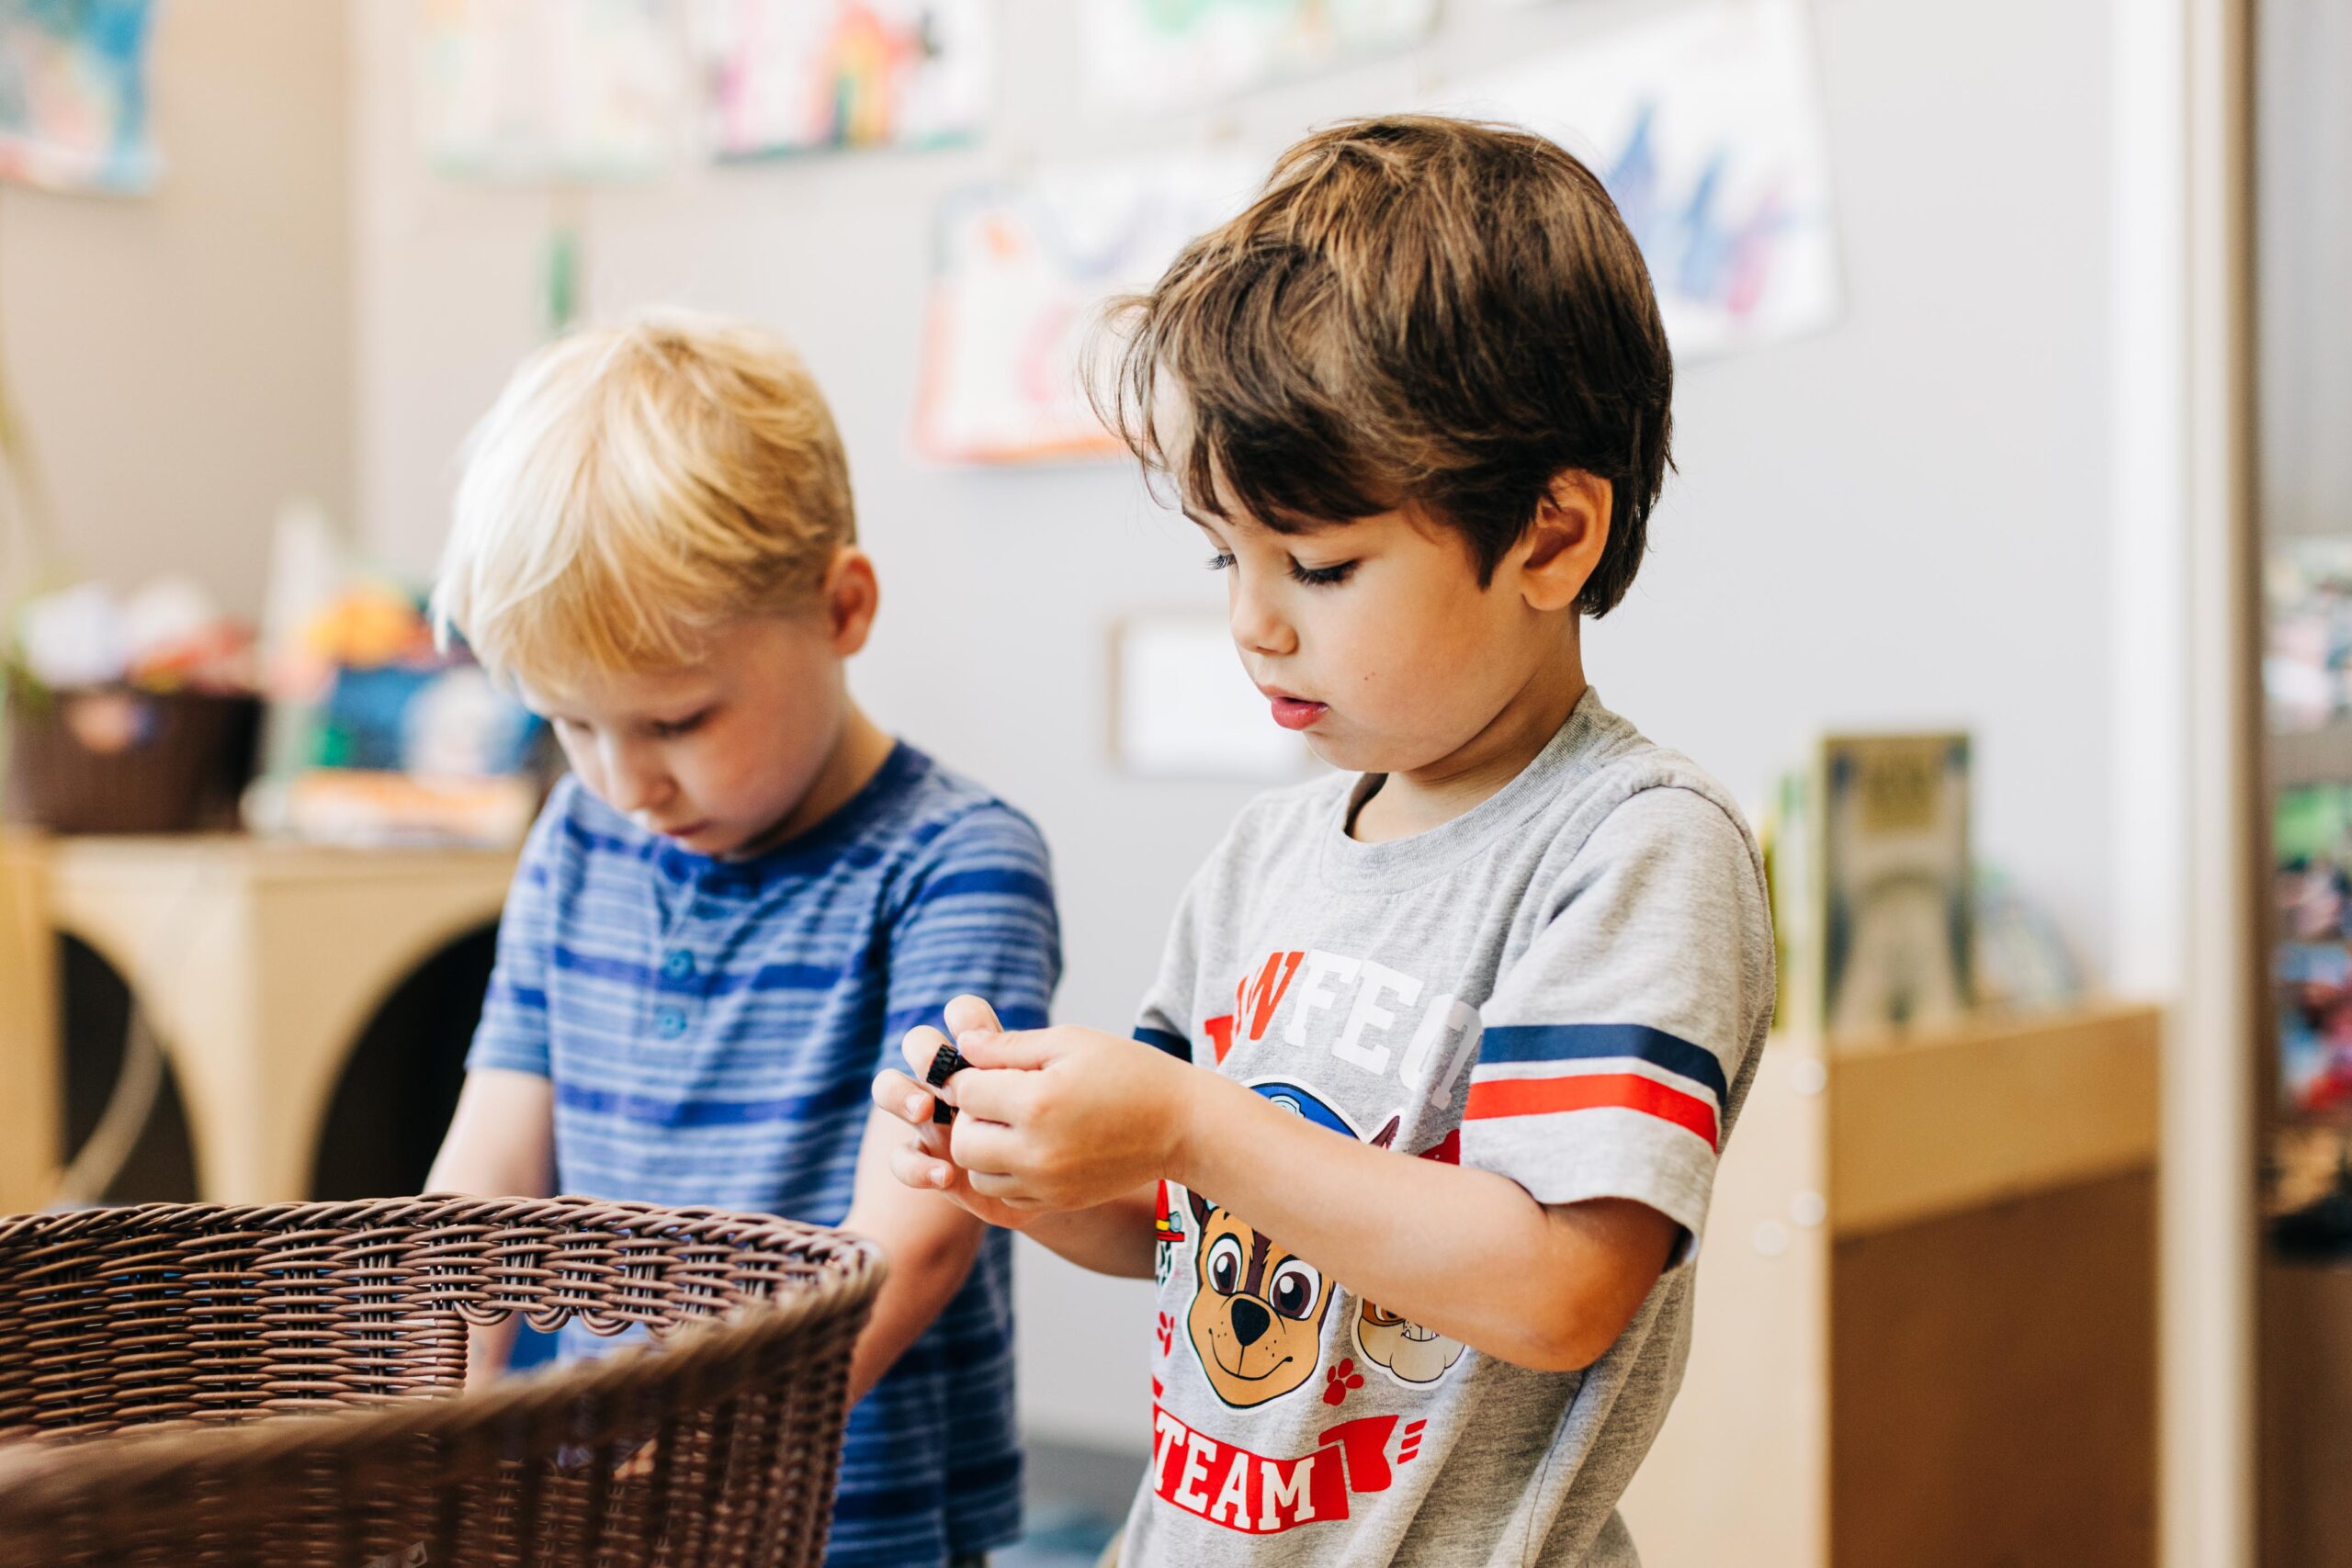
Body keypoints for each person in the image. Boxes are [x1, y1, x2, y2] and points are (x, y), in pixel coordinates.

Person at [875, 117, 1774, 1566]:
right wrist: (1023, 1166)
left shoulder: (1634, 851)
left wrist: (1184, 1120)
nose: (1255, 621)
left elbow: (1558, 1290)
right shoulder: (1266, 856)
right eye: (1229, 556)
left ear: (1552, 536)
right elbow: (1168, 1217)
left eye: (1324, 565)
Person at [428, 310, 1058, 1568]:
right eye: (573, 724)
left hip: (853, 1512)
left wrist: (697, 1456)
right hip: (612, 1487)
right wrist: (434, 1427)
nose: (625, 783)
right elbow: (486, 1173)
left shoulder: (957, 864)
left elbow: (917, 1233)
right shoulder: (578, 840)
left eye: (676, 720)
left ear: (843, 607)